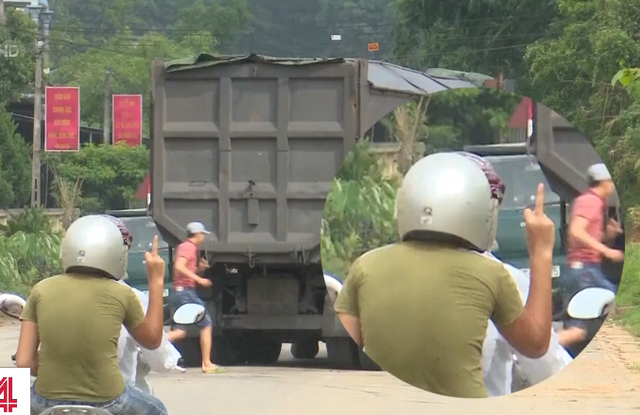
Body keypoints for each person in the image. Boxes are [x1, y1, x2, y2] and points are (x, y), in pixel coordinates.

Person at [334, 151, 556, 398]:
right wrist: (541, 252)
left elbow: (345, 355)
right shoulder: (492, 274)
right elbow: (536, 344)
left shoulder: (364, 266)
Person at [17, 215, 169, 415]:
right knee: (158, 410)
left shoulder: (40, 290)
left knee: (8, 398)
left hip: (44, 400)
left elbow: (23, 362)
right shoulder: (123, 293)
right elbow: (152, 341)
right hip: (110, 401)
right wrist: (156, 281)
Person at [558, 163, 624, 349]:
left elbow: (584, 236)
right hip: (585, 271)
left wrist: (607, 236)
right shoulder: (591, 202)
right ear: (605, 182)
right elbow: (576, 232)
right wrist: (607, 251)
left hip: (581, 269)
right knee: (614, 307)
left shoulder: (591, 201)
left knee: (577, 327)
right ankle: (543, 351)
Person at [166, 222, 223, 373]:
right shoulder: (189, 247)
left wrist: (199, 269)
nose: (203, 237)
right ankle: (206, 363)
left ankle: (148, 344)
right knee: (206, 323)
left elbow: (183, 269)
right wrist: (199, 280)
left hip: (180, 292)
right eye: (203, 234)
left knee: (180, 331)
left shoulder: (186, 247)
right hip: (185, 292)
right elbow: (179, 266)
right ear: (197, 234)